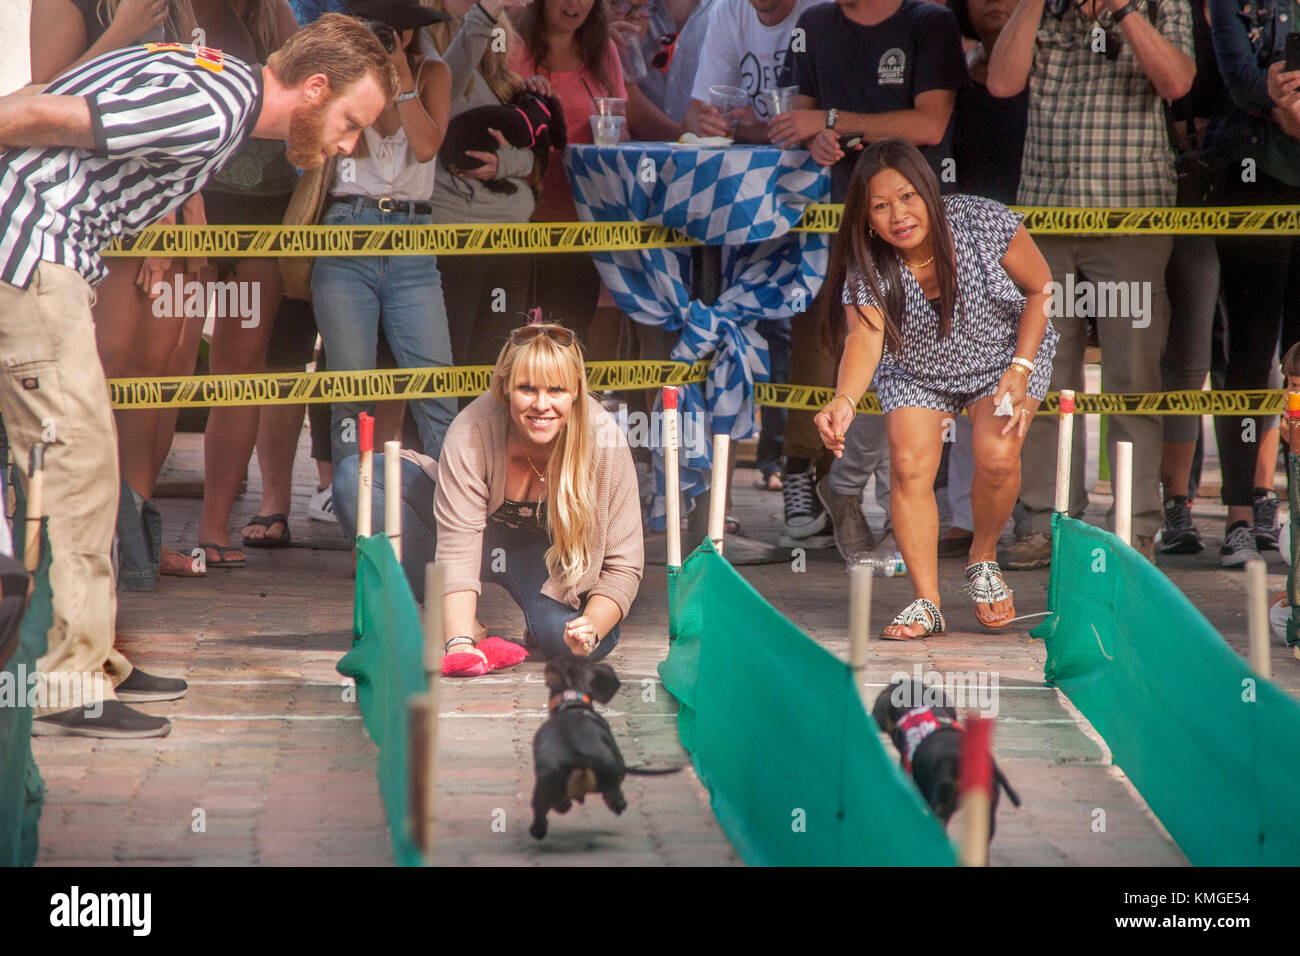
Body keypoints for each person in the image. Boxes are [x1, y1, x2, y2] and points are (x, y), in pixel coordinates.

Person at [0, 14, 397, 736]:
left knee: (81, 469)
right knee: (79, 469)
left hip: (46, 258)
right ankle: (66, 677)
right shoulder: (211, 103)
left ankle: (87, 659)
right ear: (313, 88)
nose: (346, 145)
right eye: (348, 122)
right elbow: (29, 110)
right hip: (29, 258)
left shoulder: (220, 84)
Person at [813, 139, 1057, 638]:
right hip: (916, 370)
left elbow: (1040, 287)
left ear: (927, 190)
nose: (897, 215)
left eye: (906, 197)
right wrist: (843, 400)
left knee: (995, 453)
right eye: (880, 206)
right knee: (907, 465)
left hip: (1003, 357)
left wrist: (1022, 365)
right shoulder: (869, 262)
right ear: (865, 216)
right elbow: (865, 337)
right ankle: (927, 601)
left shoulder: (980, 220)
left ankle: (983, 557)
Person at [987, 0, 1195, 568]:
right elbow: (1001, 82)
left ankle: (1134, 524)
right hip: (1046, 220)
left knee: (1133, 375)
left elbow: (1178, 81)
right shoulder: (1044, 9)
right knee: (1040, 377)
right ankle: (1043, 521)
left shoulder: (1159, 3)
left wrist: (1125, 11)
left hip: (1131, 215)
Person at [768, 0, 969, 553]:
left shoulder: (929, 22)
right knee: (838, 354)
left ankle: (883, 504)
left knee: (914, 368)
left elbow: (929, 125)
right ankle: (826, 482)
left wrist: (831, 121)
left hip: (915, 227)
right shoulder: (813, 23)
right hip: (833, 221)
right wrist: (818, 140)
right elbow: (795, 121)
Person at [334, 324, 644, 668]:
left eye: (556, 390)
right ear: (505, 387)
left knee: (573, 643)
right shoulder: (472, 428)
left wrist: (593, 627)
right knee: (356, 479)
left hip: (548, 562)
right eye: (527, 388)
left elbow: (623, 565)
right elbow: (457, 545)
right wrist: (459, 643)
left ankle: (544, 624)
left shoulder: (604, 440)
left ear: (575, 391)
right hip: (474, 538)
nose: (542, 405)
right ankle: (457, 620)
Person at [31, 0, 210, 585]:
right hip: (95, 215)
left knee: (157, 379)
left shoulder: (175, 8)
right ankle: (80, 547)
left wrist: (194, 216)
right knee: (96, 382)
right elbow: (43, 102)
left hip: (172, 208)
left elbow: (183, 119)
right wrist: (125, 31)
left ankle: (133, 544)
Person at [312, 0, 457, 478]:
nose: (391, 35)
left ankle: (454, 518)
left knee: (436, 390)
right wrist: (367, 63)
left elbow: (423, 144)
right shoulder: (341, 72)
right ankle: (359, 525)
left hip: (414, 240)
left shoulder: (433, 72)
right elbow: (380, 123)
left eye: (400, 29)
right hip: (348, 231)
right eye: (379, 28)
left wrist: (398, 67)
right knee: (351, 394)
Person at [1204, 0, 1299, 566]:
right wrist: (1274, 95)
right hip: (1252, 178)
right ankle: (1242, 514)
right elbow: (1241, 83)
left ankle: (1284, 506)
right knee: (1248, 356)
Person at [426, 0, 537, 369]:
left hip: (509, 240)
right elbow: (446, 85)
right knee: (450, 367)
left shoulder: (497, 41)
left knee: (498, 373)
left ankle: (488, 432)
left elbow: (530, 155)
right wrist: (484, 15)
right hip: (460, 239)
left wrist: (533, 102)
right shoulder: (427, 40)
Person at [509, 0, 627, 347]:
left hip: (584, 220)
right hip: (519, 220)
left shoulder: (604, 50)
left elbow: (622, 128)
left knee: (569, 338)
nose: (574, 4)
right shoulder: (510, 45)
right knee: (513, 339)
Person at [680, 0, 821, 142]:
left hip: (814, 159)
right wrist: (709, 125)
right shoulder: (727, 10)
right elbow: (694, 115)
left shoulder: (822, 10)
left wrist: (746, 131)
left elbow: (828, 124)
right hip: (751, 158)